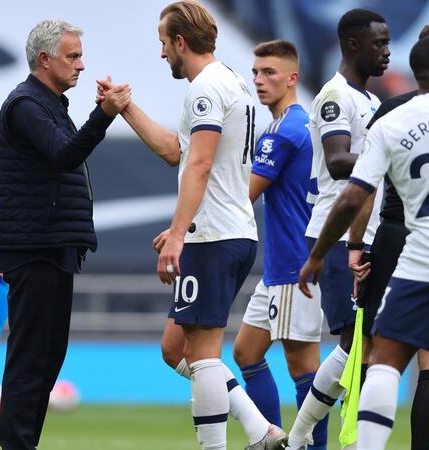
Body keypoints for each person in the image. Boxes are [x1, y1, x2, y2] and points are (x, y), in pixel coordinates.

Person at [298, 34, 429, 450]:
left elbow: (354, 196)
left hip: (424, 258)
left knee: (385, 362)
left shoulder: (392, 122)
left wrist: (319, 254)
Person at [103, 2, 286, 449]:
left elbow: (200, 164)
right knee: (175, 349)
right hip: (230, 230)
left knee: (203, 355)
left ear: (181, 42)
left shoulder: (205, 89)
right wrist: (126, 108)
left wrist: (180, 232)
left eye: (164, 43)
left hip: (213, 235)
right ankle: (260, 430)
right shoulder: (233, 83)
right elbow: (177, 152)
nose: (162, 53)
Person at [0, 19, 130, 450]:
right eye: (72, 56)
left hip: (52, 244)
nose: (81, 65)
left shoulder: (50, 103)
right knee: (30, 358)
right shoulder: (26, 104)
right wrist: (103, 116)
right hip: (34, 245)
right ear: (44, 59)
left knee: (49, 356)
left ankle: (25, 443)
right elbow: (63, 155)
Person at [345, 21, 429, 450]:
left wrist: (357, 246)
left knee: (380, 354)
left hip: (397, 236)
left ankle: (365, 445)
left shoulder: (392, 110)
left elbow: (365, 188)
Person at [285, 9, 389, 450]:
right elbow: (336, 158)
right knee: (355, 347)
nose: (387, 52)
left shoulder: (373, 103)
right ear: (352, 45)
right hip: (338, 233)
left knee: (365, 347)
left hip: (370, 232)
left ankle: (312, 437)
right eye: (379, 44)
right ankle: (303, 436)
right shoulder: (334, 97)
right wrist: (391, 154)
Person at [232, 39, 329, 450]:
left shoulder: (283, 132)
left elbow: (244, 195)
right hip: (281, 266)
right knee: (246, 351)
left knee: (303, 367)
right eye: (255, 72)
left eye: (269, 72)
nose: (259, 80)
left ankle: (313, 446)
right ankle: (272, 438)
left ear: (293, 77)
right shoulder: (299, 123)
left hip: (294, 264)